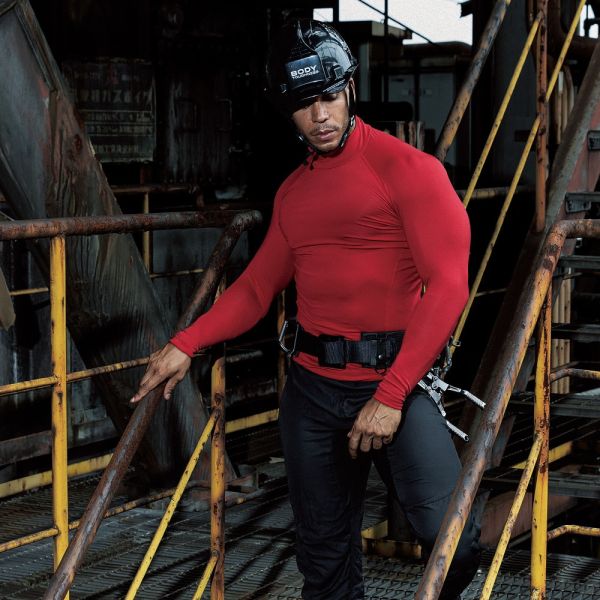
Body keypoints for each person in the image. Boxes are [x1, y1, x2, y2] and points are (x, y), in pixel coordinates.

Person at [131, 19, 481, 600]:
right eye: (302, 104)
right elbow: (255, 290)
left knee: (455, 543)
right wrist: (185, 344)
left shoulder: (409, 171)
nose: (318, 115)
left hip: (395, 381)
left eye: (327, 97)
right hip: (314, 393)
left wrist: (392, 396)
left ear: (349, 89)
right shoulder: (293, 193)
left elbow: (448, 288)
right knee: (325, 567)